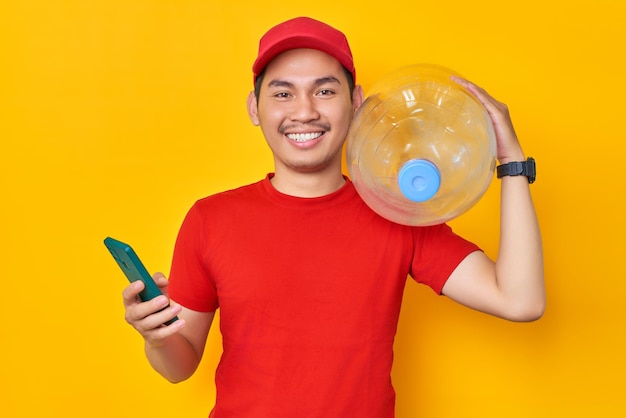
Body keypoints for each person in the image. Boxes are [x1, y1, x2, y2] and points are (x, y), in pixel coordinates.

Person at [122, 16, 544, 418]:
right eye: (283, 93)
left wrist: (511, 162)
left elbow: (520, 300)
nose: (304, 111)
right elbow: (179, 367)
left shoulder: (396, 212)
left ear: (357, 102)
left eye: (324, 91)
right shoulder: (210, 219)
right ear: (254, 107)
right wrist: (156, 337)